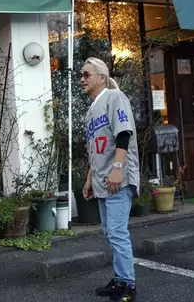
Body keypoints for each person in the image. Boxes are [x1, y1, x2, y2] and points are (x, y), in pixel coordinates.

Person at [81, 57, 139, 301]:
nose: (82, 79)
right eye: (81, 75)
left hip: (119, 176)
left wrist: (117, 169)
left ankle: (127, 284)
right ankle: (120, 278)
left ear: (101, 77)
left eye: (87, 75)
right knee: (110, 232)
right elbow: (95, 149)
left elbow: (124, 134)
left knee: (117, 231)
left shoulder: (115, 98)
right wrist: (89, 179)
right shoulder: (90, 110)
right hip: (102, 178)